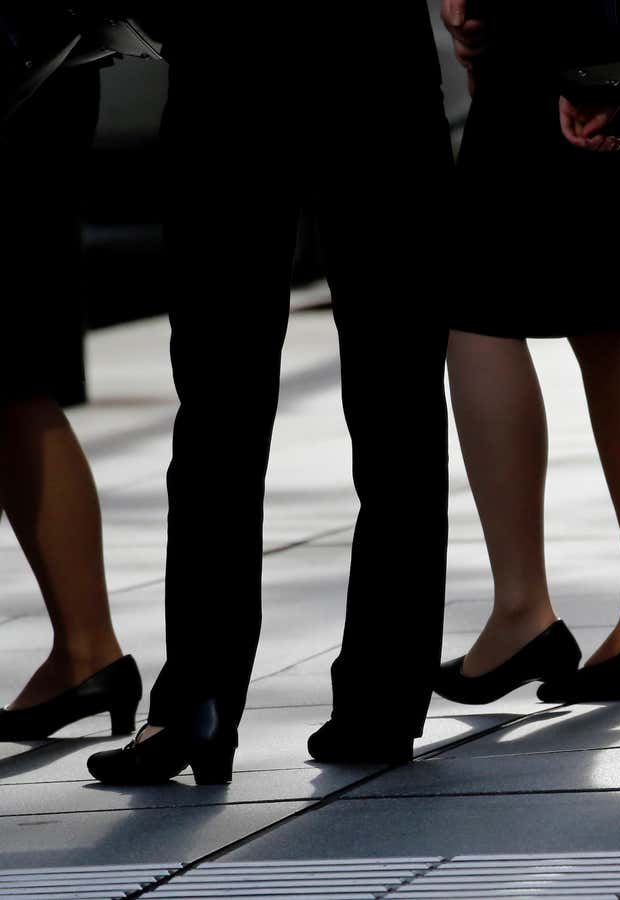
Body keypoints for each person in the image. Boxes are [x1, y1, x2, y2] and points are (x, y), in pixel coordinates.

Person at [88, 3, 453, 785]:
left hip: (231, 43)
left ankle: (197, 699)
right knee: (398, 387)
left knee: (219, 395)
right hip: (370, 44)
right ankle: (382, 699)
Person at [432, 0, 620, 708]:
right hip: (602, 20)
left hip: (552, 23)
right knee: (605, 299)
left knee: (477, 301)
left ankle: (525, 607)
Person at [0, 58, 140, 742]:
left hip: (22, 71)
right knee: (13, 380)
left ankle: (87, 647)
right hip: (42, 65)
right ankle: (86, 648)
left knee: (12, 376)